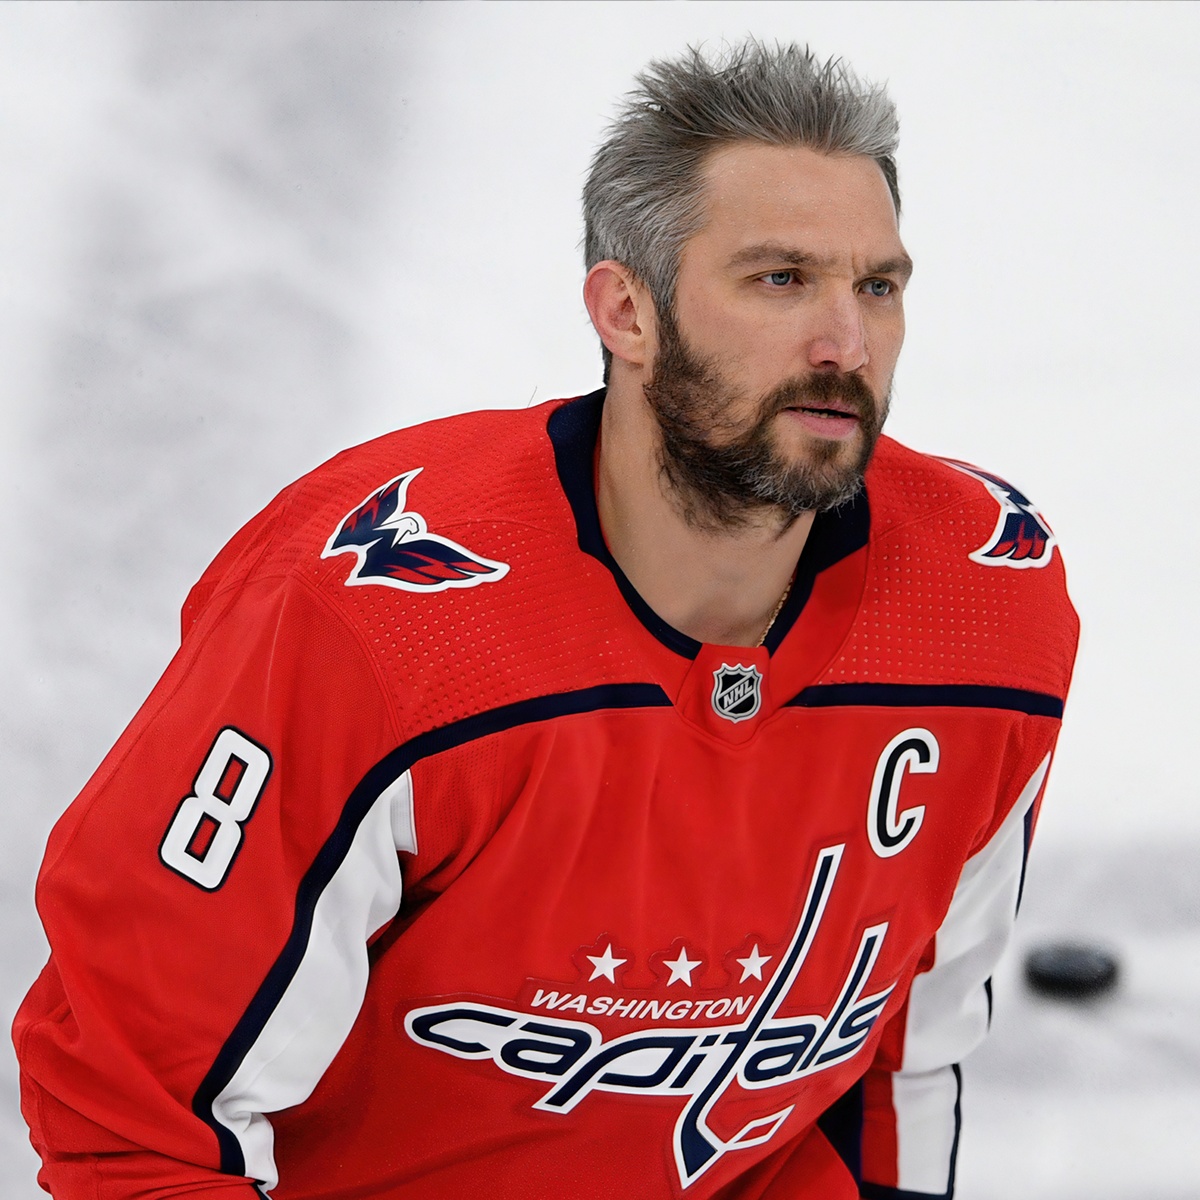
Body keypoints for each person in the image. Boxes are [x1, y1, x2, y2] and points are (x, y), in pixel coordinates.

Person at [13, 41, 1078, 1200]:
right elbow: (134, 1112)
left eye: (877, 286)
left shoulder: (986, 603)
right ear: (627, 310)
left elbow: (901, 1065)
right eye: (780, 279)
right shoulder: (377, 622)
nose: (846, 344)